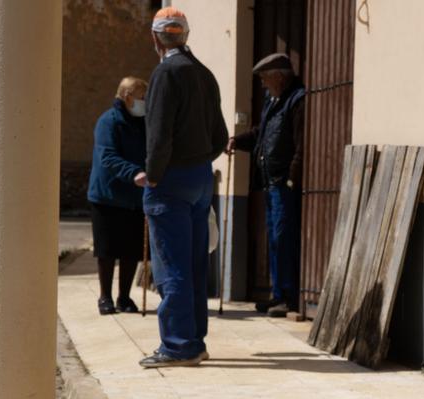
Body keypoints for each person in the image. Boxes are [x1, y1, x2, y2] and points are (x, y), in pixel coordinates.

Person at [134, 7, 228, 368]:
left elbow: (158, 135)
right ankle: (194, 341)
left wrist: (154, 174)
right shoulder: (204, 74)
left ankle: (177, 346)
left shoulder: (165, 73)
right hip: (200, 176)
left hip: (170, 179)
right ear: (185, 36)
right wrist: (201, 158)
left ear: (155, 37)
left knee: (170, 264)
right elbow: (220, 135)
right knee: (192, 263)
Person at [227, 53, 306, 317]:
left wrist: (293, 177)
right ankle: (278, 295)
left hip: (284, 182)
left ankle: (288, 296)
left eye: (265, 78)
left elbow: (301, 145)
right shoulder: (273, 102)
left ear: (280, 77)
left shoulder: (297, 100)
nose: (262, 84)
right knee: (274, 239)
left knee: (284, 238)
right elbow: (260, 133)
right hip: (270, 182)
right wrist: (236, 141)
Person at [86, 76, 148, 315]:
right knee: (107, 250)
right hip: (107, 196)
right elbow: (108, 156)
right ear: (127, 97)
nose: (144, 103)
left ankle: (124, 297)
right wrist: (134, 173)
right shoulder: (108, 122)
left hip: (134, 196)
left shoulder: (142, 123)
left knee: (131, 250)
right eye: (142, 97)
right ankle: (105, 297)